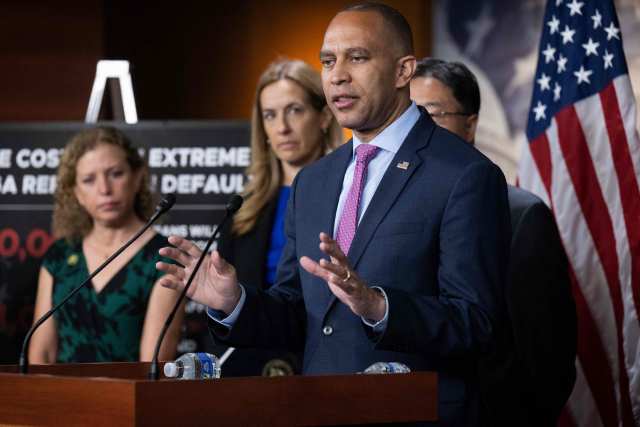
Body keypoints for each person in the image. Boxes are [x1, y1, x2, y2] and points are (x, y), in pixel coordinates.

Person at [157, 3, 511, 426]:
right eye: (328, 61)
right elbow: (298, 312)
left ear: (404, 72)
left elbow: (478, 325)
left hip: (413, 412)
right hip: (320, 410)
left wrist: (377, 305)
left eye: (357, 57)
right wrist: (234, 302)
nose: (337, 74)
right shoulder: (313, 181)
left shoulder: (464, 174)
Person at [410, 58, 577, 426]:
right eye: (408, 115)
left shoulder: (522, 216)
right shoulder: (393, 212)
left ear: (470, 125)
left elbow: (548, 358)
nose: (417, 129)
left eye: (432, 114)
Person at [213, 59, 344, 376]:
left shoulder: (350, 195)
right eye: (270, 115)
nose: (281, 127)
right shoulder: (241, 209)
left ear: (325, 115)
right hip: (251, 367)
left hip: (325, 360)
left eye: (294, 110)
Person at [30, 127, 184, 364]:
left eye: (115, 174)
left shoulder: (166, 258)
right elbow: (41, 356)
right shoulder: (59, 256)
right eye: (89, 180)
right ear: (76, 193)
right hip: (58, 398)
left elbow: (153, 369)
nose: (104, 189)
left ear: (137, 177)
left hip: (127, 399)